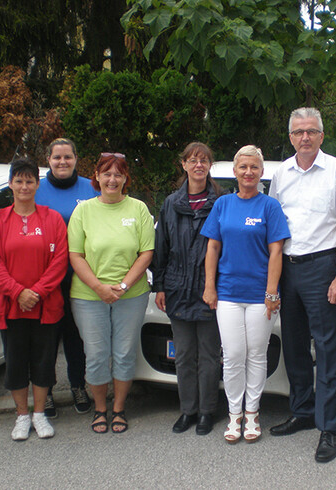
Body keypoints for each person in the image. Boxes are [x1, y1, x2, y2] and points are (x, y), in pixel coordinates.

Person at [269, 107, 336, 463]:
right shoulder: (281, 174)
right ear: (290, 137)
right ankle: (303, 411)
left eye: (311, 131)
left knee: (328, 350)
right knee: (293, 346)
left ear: (322, 136)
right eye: (298, 132)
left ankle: (329, 427)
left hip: (324, 267)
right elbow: (274, 226)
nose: (304, 137)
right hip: (288, 269)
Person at [202, 145, 290, 444]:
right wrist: (209, 286)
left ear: (262, 172)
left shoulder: (270, 207)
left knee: (256, 354)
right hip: (227, 292)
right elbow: (212, 248)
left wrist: (271, 292)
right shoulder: (222, 205)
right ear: (235, 172)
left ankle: (252, 414)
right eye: (243, 167)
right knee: (234, 354)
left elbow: (276, 251)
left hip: (259, 295)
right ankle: (234, 415)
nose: (248, 172)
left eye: (254, 167)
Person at [68, 153, 154, 434]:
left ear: (126, 178)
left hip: (131, 294)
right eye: (107, 174)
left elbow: (146, 253)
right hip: (88, 295)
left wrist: (124, 286)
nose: (112, 179)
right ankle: (99, 408)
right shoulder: (83, 211)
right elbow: (76, 254)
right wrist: (99, 288)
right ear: (97, 177)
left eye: (118, 174)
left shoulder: (138, 209)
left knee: (124, 353)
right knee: (95, 354)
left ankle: (118, 408)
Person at [0, 158, 68, 441]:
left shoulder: (52, 219)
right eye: (18, 180)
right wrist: (18, 292)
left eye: (30, 180)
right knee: (16, 362)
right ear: (10, 184)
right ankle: (21, 416)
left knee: (44, 362)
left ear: (37, 184)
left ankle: (40, 413)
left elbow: (59, 261)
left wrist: (38, 292)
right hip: (11, 306)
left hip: (46, 306)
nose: (24, 186)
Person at [153, 142, 222, 436]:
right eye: (192, 160)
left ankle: (207, 412)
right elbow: (162, 247)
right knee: (183, 354)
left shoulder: (221, 201)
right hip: (178, 287)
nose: (198, 165)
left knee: (208, 354)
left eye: (204, 160)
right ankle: (187, 410)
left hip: (209, 288)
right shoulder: (171, 203)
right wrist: (159, 286)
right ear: (183, 165)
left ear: (209, 166)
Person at [35, 137, 99, 418]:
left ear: (76, 159)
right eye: (57, 157)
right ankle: (45, 391)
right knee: (46, 339)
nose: (62, 162)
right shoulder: (36, 189)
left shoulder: (90, 188)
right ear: (47, 159)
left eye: (68, 157)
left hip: (81, 278)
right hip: (46, 280)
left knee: (76, 338)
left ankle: (77, 386)